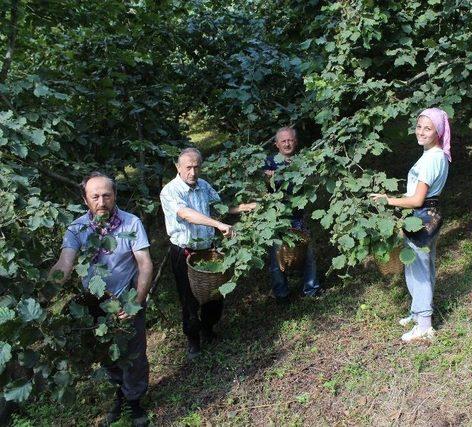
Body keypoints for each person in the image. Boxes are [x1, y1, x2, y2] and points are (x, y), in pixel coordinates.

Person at [49, 172, 153, 426]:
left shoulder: (131, 223)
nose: (102, 201)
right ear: (86, 200)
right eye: (95, 196)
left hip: (128, 299)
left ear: (114, 195)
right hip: (95, 304)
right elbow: (66, 262)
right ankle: (120, 393)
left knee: (135, 354)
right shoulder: (77, 228)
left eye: (107, 195)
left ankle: (135, 402)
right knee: (107, 353)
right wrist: (45, 287)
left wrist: (136, 302)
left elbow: (145, 264)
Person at [160, 147, 255, 360]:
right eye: (188, 168)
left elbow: (220, 206)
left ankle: (208, 329)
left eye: (196, 167)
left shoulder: (204, 186)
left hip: (208, 250)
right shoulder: (170, 191)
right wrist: (217, 224)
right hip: (184, 252)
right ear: (178, 167)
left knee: (215, 294)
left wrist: (243, 207)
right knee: (189, 298)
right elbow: (187, 214)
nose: (192, 172)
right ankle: (193, 339)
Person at [370, 108, 451, 343]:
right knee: (419, 265)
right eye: (419, 126)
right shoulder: (435, 155)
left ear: (438, 131)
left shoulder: (432, 159)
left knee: (419, 269)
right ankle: (418, 311)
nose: (422, 132)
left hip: (422, 215)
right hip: (428, 213)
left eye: (428, 128)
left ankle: (425, 324)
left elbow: (416, 200)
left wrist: (388, 200)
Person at [264, 126, 321, 304]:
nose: (287, 144)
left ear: (295, 142)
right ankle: (281, 293)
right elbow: (263, 188)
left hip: (299, 216)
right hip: (278, 217)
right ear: (276, 144)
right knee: (277, 256)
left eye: (290, 140)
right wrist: (268, 178)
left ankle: (311, 289)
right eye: (283, 141)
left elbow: (313, 181)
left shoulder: (303, 161)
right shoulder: (270, 162)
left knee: (308, 253)